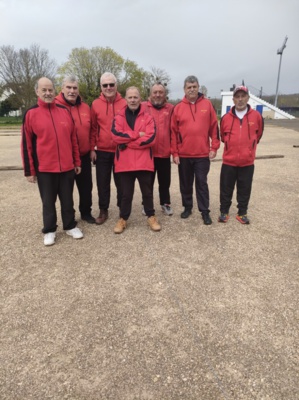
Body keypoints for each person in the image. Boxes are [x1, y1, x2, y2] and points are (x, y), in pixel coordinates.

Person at [21, 77, 83, 246]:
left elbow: (73, 139)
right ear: (37, 92)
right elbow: (26, 144)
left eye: (50, 90)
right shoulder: (31, 114)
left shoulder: (64, 111)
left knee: (68, 199)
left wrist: (77, 161)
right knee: (48, 202)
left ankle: (70, 226)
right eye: (44, 90)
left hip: (67, 167)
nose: (48, 93)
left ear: (55, 91)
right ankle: (49, 230)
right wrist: (30, 171)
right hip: (45, 168)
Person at [171, 75, 220, 225]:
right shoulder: (178, 108)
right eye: (189, 87)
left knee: (201, 182)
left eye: (194, 87)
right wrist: (175, 153)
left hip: (202, 154)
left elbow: (214, 128)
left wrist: (214, 147)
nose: (192, 90)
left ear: (198, 87)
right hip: (184, 154)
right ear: (184, 89)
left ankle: (204, 211)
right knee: (185, 183)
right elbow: (173, 132)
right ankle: (187, 207)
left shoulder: (207, 104)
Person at [111, 86, 161, 234]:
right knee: (126, 194)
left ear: (140, 99)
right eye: (130, 97)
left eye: (135, 97)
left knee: (147, 192)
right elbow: (115, 136)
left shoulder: (148, 117)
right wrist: (137, 134)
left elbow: (151, 138)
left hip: (143, 162)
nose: (133, 100)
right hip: (124, 163)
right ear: (125, 99)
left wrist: (127, 142)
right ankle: (123, 218)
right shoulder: (118, 117)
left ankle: (151, 216)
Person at [218, 85, 264, 224]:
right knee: (226, 188)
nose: (240, 99)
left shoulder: (257, 117)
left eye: (243, 96)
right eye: (237, 97)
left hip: (247, 162)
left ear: (248, 98)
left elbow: (259, 135)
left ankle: (242, 213)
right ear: (233, 99)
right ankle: (224, 212)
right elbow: (222, 136)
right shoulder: (225, 118)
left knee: (244, 189)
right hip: (229, 161)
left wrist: (249, 149)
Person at [55, 75, 95, 224]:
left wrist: (92, 148)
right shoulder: (55, 106)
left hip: (84, 154)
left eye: (75, 88)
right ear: (62, 89)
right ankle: (69, 217)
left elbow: (91, 130)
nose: (72, 91)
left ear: (78, 90)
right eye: (69, 87)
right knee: (66, 191)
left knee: (86, 187)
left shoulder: (85, 107)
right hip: (66, 157)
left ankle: (86, 212)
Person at [90, 72, 127, 225]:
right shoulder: (95, 104)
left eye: (111, 84)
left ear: (116, 86)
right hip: (103, 150)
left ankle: (122, 208)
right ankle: (103, 209)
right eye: (105, 85)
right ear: (101, 87)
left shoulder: (124, 103)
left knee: (122, 182)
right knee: (102, 182)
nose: (109, 87)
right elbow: (93, 128)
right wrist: (92, 148)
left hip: (121, 150)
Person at [142, 83, 174, 216]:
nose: (158, 95)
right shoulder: (143, 106)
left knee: (165, 181)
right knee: (148, 182)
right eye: (155, 92)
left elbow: (174, 130)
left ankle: (165, 203)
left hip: (164, 153)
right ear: (150, 94)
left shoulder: (171, 108)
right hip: (148, 153)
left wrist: (174, 149)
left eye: (160, 92)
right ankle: (147, 204)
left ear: (164, 94)